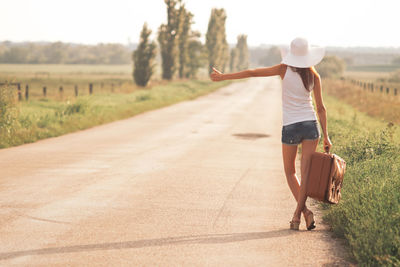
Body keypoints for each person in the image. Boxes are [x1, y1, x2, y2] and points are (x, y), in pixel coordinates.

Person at [210, 37, 332, 230]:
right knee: (306, 174)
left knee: (290, 171)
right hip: (310, 125)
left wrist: (224, 77)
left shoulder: (284, 69)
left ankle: (301, 214)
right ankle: (302, 214)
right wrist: (326, 135)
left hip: (291, 126)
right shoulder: (314, 76)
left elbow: (252, 72)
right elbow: (321, 108)